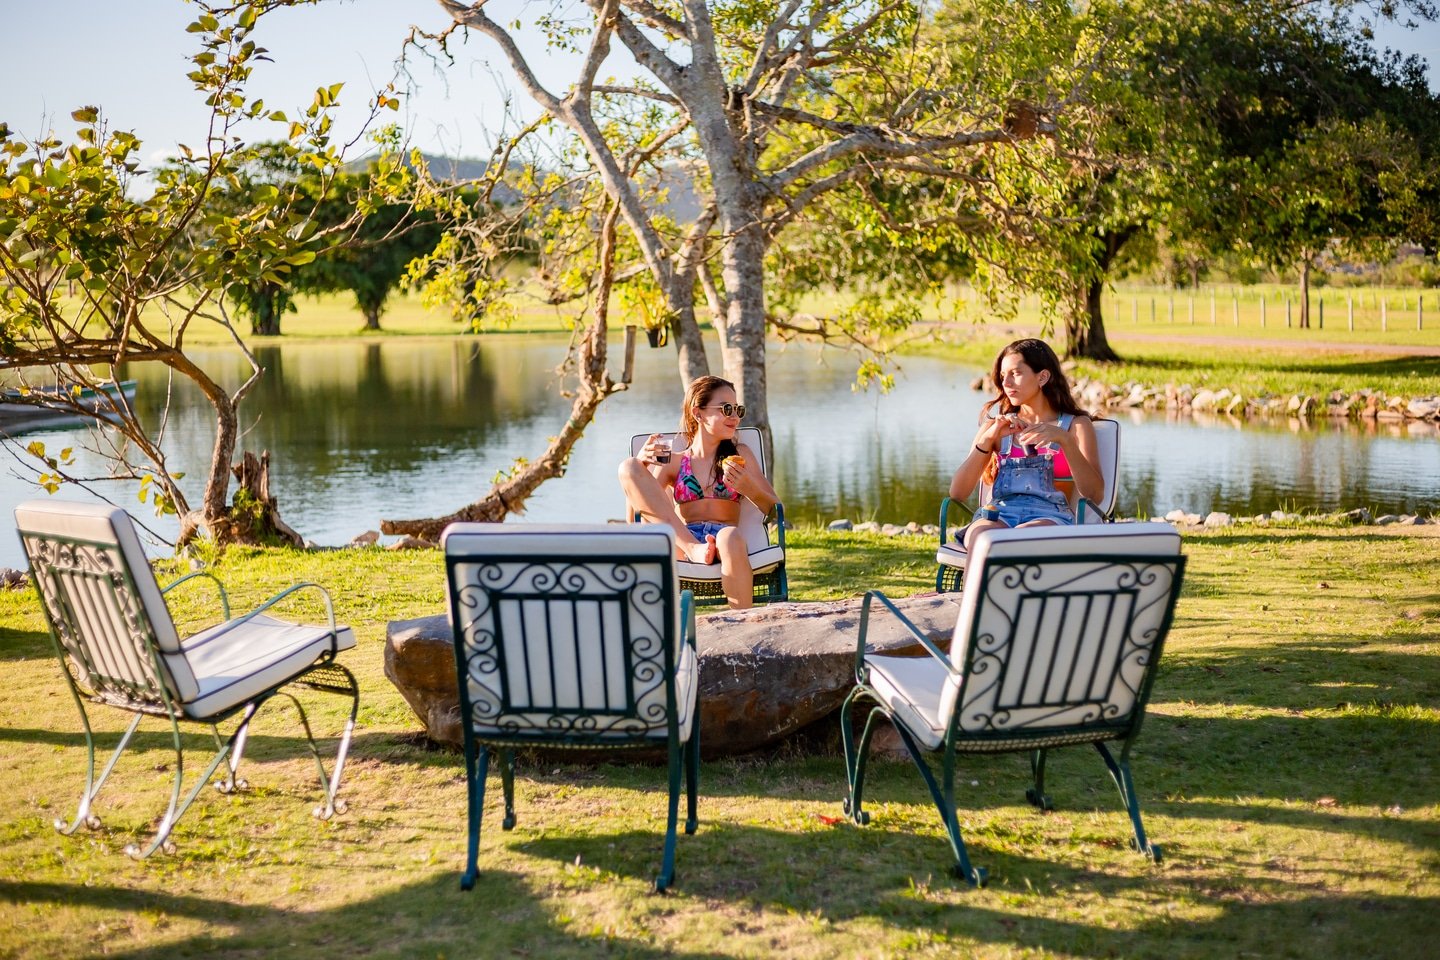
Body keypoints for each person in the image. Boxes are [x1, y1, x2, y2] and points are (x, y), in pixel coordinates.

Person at [619, 375, 779, 609]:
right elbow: (638, 519)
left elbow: (775, 510)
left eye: (738, 410)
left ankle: (743, 621)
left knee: (730, 537)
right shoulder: (674, 462)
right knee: (628, 466)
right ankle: (694, 550)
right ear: (698, 413)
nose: (735, 417)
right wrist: (642, 465)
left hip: (725, 539)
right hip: (684, 541)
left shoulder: (740, 454)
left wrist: (749, 488)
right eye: (726, 409)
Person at [949, 338, 1103, 553]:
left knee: (1019, 539)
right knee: (982, 538)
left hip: (1050, 517)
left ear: (1043, 377)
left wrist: (1066, 441)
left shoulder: (1075, 426)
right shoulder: (995, 427)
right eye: (1003, 375)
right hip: (998, 514)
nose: (1006, 383)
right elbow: (957, 493)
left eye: (1016, 373)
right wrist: (987, 440)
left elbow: (1095, 495)